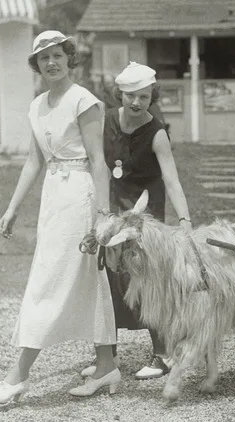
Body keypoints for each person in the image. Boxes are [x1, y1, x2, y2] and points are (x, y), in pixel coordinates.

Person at [0, 30, 118, 404]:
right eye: (44, 58)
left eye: (58, 55)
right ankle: (106, 364)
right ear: (36, 64)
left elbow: (98, 161)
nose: (52, 63)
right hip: (53, 199)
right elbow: (34, 160)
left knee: (48, 280)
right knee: (90, 278)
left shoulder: (84, 101)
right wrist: (12, 208)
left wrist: (103, 216)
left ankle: (18, 375)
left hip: (80, 195)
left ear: (69, 57)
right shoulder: (37, 105)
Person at [80, 62, 193, 381]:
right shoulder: (107, 122)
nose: (136, 103)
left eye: (144, 97)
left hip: (145, 211)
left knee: (144, 279)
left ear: (151, 97)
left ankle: (163, 354)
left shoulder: (156, 133)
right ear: (120, 94)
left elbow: (172, 180)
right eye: (130, 96)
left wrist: (184, 219)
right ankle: (107, 358)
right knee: (108, 280)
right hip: (114, 207)